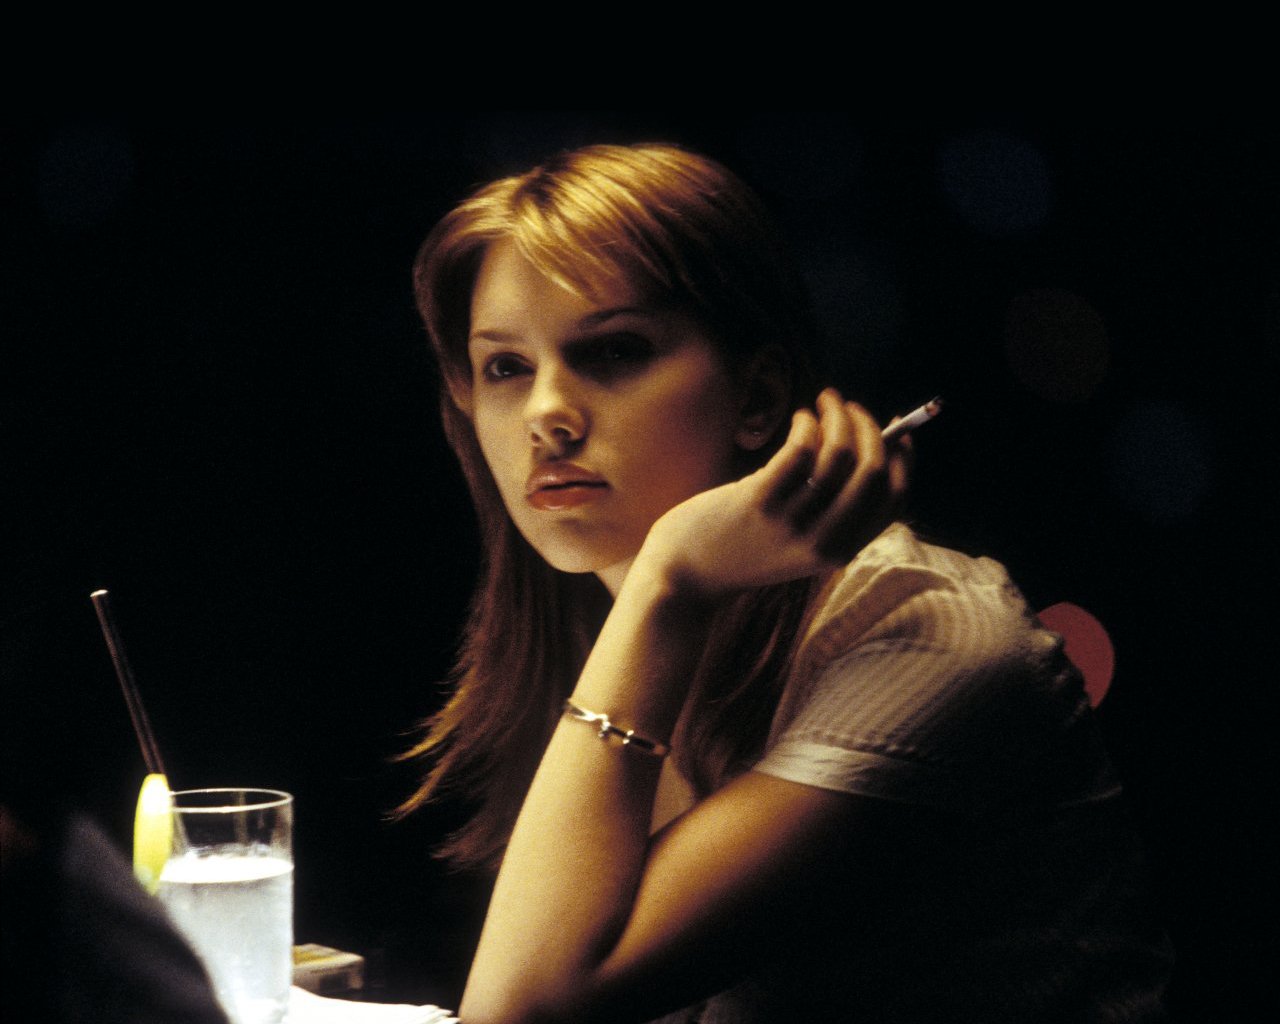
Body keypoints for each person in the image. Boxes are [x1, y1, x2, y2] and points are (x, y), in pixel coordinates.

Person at [398, 143, 1173, 1023]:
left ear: (758, 398)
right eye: (506, 367)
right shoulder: (610, 626)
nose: (546, 415)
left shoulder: (935, 639)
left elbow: (528, 1008)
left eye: (613, 352)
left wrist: (671, 577)